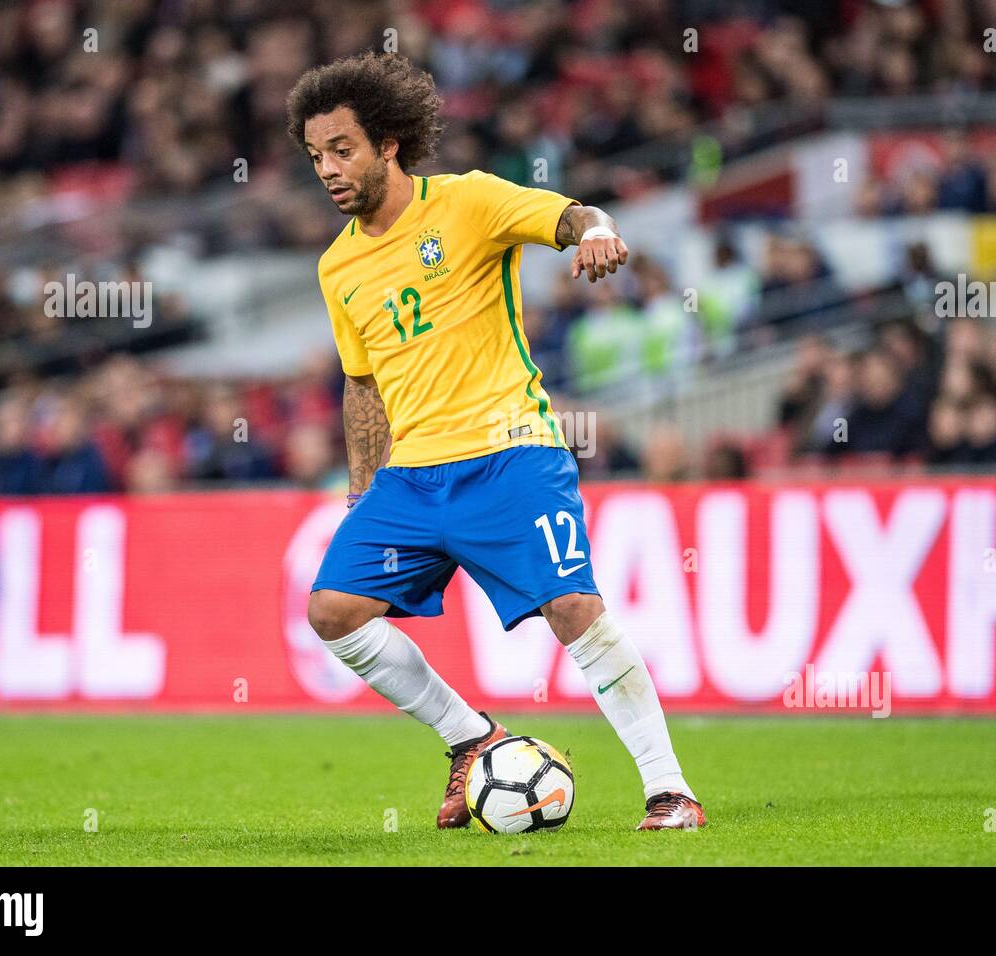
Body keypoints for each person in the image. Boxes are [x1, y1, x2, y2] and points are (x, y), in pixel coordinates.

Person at [287, 52, 703, 831]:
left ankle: (668, 789)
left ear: (387, 144)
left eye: (341, 148)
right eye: (315, 156)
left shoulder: (471, 203)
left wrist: (602, 232)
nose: (327, 169)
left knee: (573, 606)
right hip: (411, 478)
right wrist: (360, 487)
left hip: (510, 452)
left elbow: (571, 215)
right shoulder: (338, 265)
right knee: (333, 610)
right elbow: (363, 383)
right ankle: (471, 737)